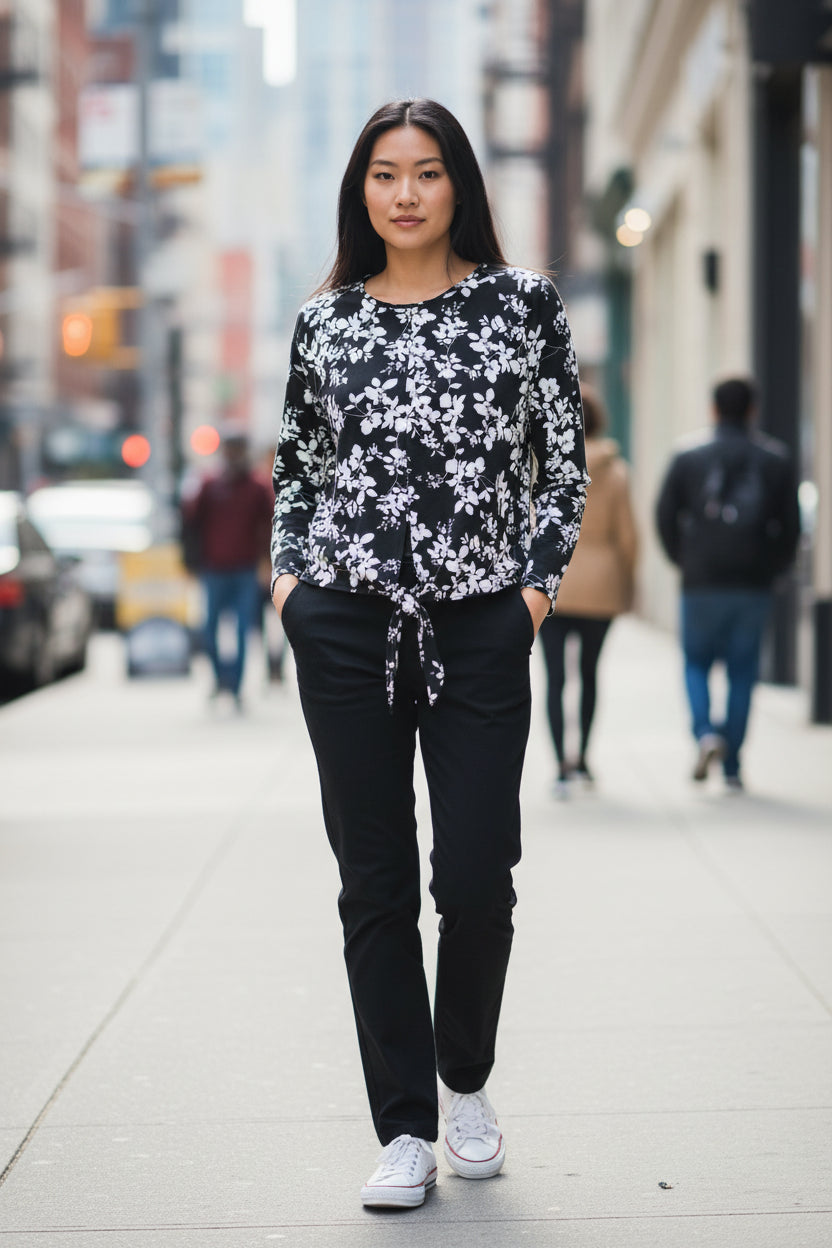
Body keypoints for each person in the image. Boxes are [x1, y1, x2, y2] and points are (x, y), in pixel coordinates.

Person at [271, 98, 588, 1210]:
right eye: (383, 175)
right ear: (361, 192)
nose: (404, 193)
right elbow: (300, 468)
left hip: (481, 627)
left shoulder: (521, 308)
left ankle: (464, 1084)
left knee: (475, 875)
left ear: (460, 186)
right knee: (373, 884)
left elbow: (563, 463)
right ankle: (402, 1127)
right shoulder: (328, 324)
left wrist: (533, 594)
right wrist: (292, 586)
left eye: (426, 172)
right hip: (347, 624)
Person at [655, 377, 800, 790]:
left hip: (701, 580)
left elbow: (665, 515)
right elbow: (790, 526)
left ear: (713, 409)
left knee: (696, 663)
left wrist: (682, 558)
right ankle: (733, 763)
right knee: (743, 670)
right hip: (751, 583)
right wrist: (774, 567)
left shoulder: (688, 457)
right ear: (752, 410)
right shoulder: (775, 459)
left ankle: (705, 734)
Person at [539, 386, 637, 796]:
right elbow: (629, 537)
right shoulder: (616, 472)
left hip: (553, 582)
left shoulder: (542, 466)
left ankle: (561, 763)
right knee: (590, 674)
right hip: (601, 584)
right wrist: (629, 583)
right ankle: (585, 759)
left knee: (555, 677)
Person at [184, 430, 274, 707]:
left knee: (242, 631)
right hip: (214, 569)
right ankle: (219, 678)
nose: (234, 455)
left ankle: (234, 687)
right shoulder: (209, 484)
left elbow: (272, 524)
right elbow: (191, 522)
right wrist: (191, 561)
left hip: (245, 570)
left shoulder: (258, 487)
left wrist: (266, 562)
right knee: (209, 629)